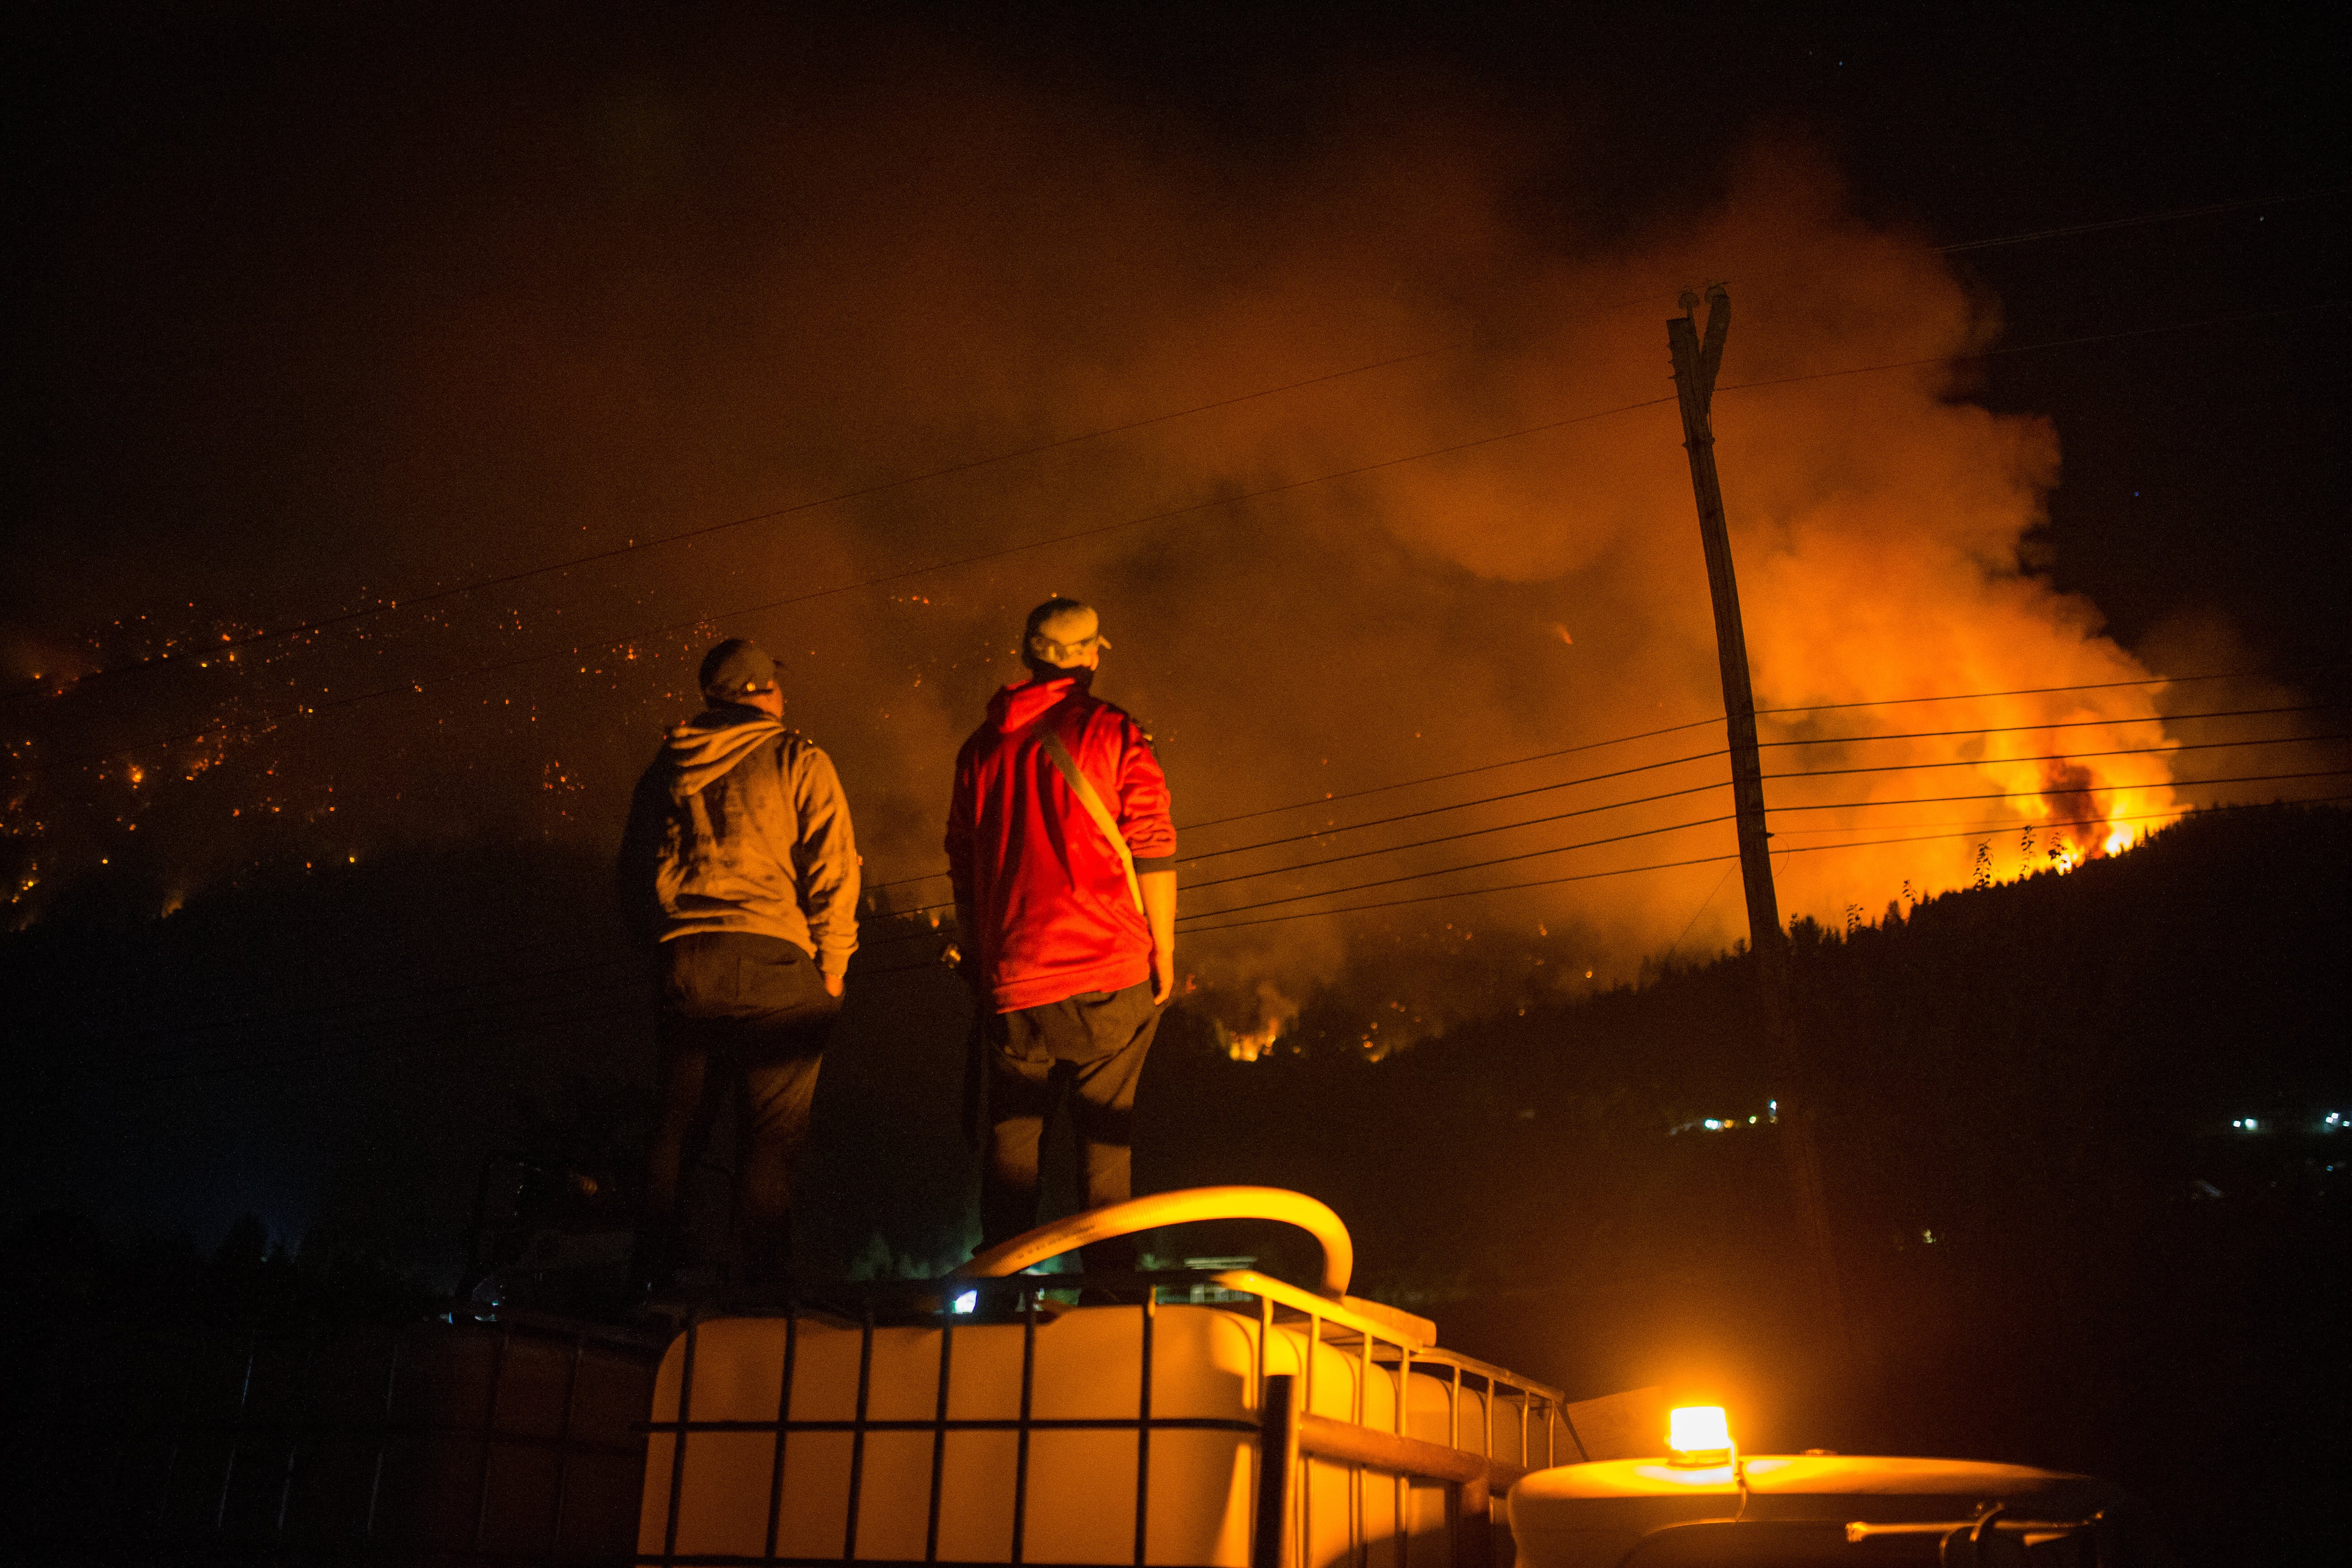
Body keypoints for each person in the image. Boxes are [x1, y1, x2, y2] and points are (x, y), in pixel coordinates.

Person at [619, 637, 859, 1291]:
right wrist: (833, 969)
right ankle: (759, 1286)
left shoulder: (665, 768)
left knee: (677, 1130)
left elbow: (633, 875)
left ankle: (650, 1277)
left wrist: (663, 952)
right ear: (760, 693)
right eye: (775, 685)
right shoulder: (797, 758)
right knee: (770, 1139)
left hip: (688, 962)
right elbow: (834, 869)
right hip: (777, 964)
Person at [945, 598, 1177, 1274]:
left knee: (1012, 1137)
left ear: (1028, 654)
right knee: (1106, 1141)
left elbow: (962, 859)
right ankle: (1110, 1291)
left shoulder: (979, 750)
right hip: (1109, 968)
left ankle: (1001, 1287)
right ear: (1088, 655)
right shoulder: (1114, 731)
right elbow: (1153, 846)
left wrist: (983, 955)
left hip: (1015, 978)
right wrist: (1163, 948)